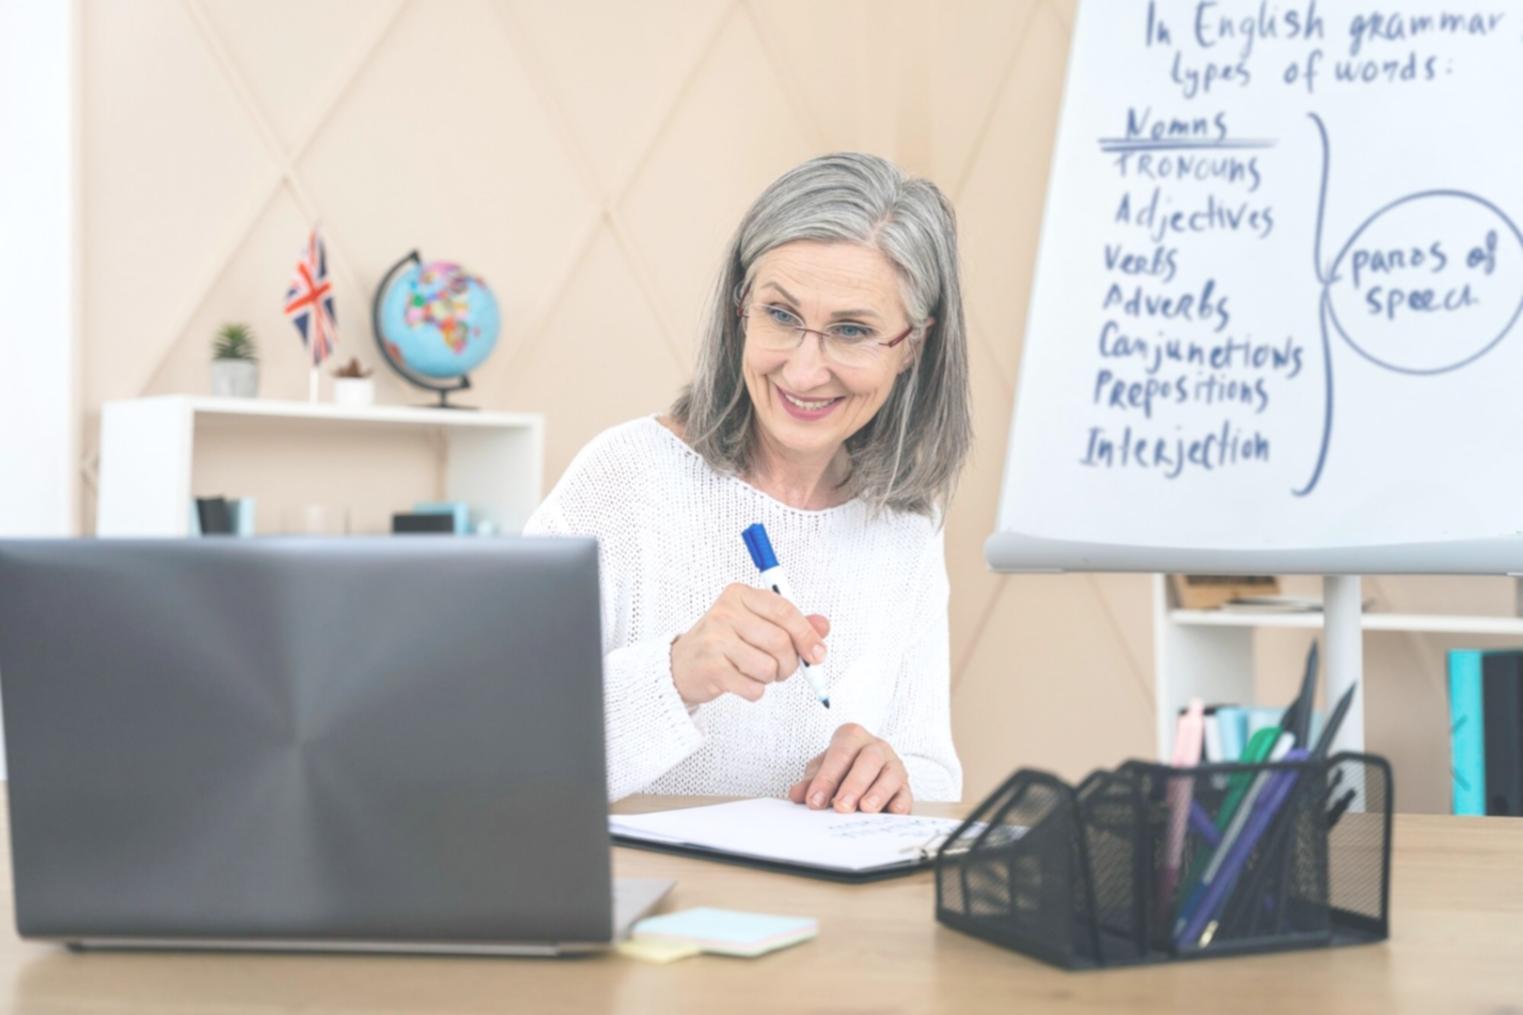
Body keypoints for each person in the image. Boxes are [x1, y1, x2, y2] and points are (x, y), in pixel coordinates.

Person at [524, 152, 972, 813]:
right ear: (740, 309)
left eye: (851, 330)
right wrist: (673, 676)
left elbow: (933, 777)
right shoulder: (623, 476)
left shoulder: (907, 523)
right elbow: (501, 743)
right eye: (781, 316)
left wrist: (889, 774)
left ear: (912, 346)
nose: (804, 370)